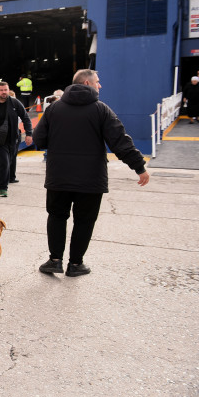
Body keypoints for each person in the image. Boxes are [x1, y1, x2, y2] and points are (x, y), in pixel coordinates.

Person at [33, 69, 149, 277]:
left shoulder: (54, 109)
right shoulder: (101, 110)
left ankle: (55, 261)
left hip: (58, 177)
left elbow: (39, 140)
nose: (100, 85)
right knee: (84, 221)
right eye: (98, 82)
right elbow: (120, 142)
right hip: (91, 179)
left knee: (57, 217)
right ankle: (76, 264)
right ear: (87, 83)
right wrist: (139, 167)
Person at [0, 81, 33, 198]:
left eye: (6, 90)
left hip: (12, 139)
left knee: (7, 161)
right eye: (1, 90)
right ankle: (3, 188)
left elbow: (26, 118)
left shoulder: (15, 103)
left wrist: (29, 134)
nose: (4, 92)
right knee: (4, 161)